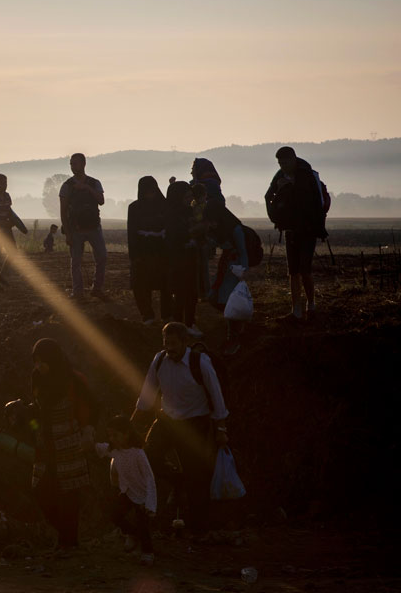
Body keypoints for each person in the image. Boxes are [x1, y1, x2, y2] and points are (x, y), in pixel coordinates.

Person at [132, 322, 229, 535]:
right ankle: (178, 480)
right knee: (148, 457)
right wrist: (131, 424)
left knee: (198, 478)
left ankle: (199, 530)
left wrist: (221, 429)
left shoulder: (200, 363)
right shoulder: (159, 361)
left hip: (195, 424)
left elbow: (216, 395)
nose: (170, 348)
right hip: (167, 421)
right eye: (166, 343)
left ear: (185, 342)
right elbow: (147, 395)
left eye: (174, 343)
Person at [6, 339, 100, 549]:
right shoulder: (37, 377)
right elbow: (38, 409)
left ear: (53, 359)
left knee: (69, 495)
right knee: (41, 491)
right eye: (36, 361)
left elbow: (93, 407)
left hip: (70, 443)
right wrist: (25, 418)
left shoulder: (73, 380)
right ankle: (66, 536)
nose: (39, 366)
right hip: (45, 443)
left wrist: (88, 432)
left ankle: (68, 543)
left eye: (43, 361)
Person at [264, 146, 325, 322]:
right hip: (290, 230)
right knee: (293, 272)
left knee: (305, 270)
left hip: (307, 231)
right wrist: (277, 219)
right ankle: (296, 310)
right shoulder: (280, 177)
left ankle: (311, 305)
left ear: (293, 159)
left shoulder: (307, 176)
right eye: (279, 163)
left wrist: (319, 228)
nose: (282, 166)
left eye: (284, 162)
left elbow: (316, 203)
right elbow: (268, 197)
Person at [95, 415, 157, 566]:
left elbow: (149, 478)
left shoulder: (138, 453)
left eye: (115, 435)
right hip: (126, 492)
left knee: (143, 525)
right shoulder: (115, 450)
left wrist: (150, 503)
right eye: (110, 435)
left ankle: (147, 552)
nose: (112, 438)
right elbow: (100, 448)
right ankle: (133, 533)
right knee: (115, 515)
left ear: (127, 433)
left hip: (142, 495)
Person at [59, 153, 107, 300]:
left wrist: (86, 188)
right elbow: (63, 210)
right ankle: (78, 292)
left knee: (102, 258)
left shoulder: (94, 183)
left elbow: (101, 200)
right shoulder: (67, 186)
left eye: (75, 163)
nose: (73, 167)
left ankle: (96, 288)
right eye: (71, 164)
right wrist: (67, 232)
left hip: (94, 227)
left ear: (84, 164)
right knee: (76, 262)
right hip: (76, 229)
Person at [204, 203, 249, 355]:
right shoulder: (219, 230)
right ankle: (235, 331)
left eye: (212, 221)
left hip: (234, 270)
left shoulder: (235, 229)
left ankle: (235, 336)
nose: (211, 224)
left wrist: (243, 270)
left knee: (229, 301)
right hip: (226, 267)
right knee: (216, 298)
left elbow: (243, 252)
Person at [127, 177, 170, 324]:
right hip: (142, 251)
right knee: (141, 284)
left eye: (152, 191)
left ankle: (167, 314)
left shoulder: (165, 206)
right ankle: (147, 314)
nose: (150, 195)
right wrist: (134, 255)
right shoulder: (134, 208)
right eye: (147, 192)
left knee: (166, 284)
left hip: (162, 251)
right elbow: (131, 232)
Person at [164, 182, 202, 337]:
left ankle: (189, 323)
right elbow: (172, 238)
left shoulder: (189, 212)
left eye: (190, 196)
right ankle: (180, 325)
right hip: (177, 260)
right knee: (179, 292)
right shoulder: (170, 215)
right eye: (186, 196)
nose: (189, 199)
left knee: (191, 292)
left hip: (190, 258)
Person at [189, 158, 224, 301]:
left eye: (193, 169)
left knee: (201, 264)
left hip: (205, 232)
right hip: (201, 231)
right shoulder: (206, 185)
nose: (191, 172)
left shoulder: (208, 186)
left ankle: (204, 292)